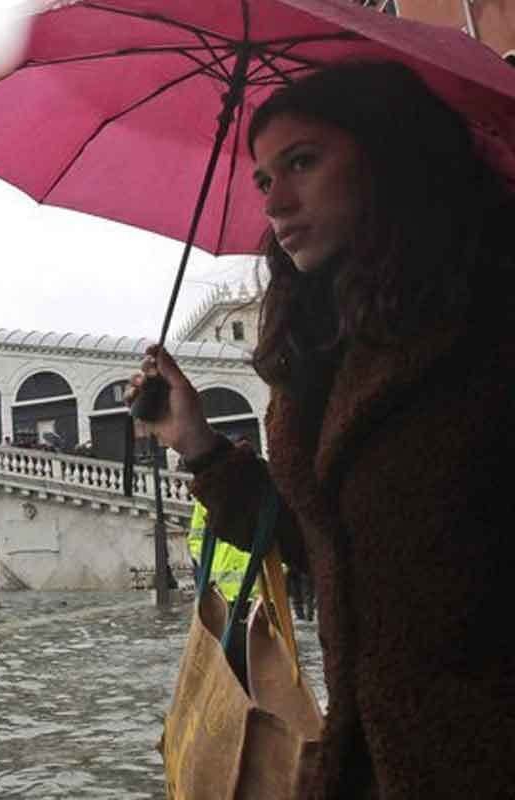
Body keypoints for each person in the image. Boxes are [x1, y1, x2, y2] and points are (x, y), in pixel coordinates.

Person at [129, 61, 514, 798]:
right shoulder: (317, 355)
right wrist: (199, 446)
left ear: (391, 157)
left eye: (302, 162)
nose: (275, 203)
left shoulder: (491, 328)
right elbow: (325, 548)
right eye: (264, 180)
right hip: (369, 761)